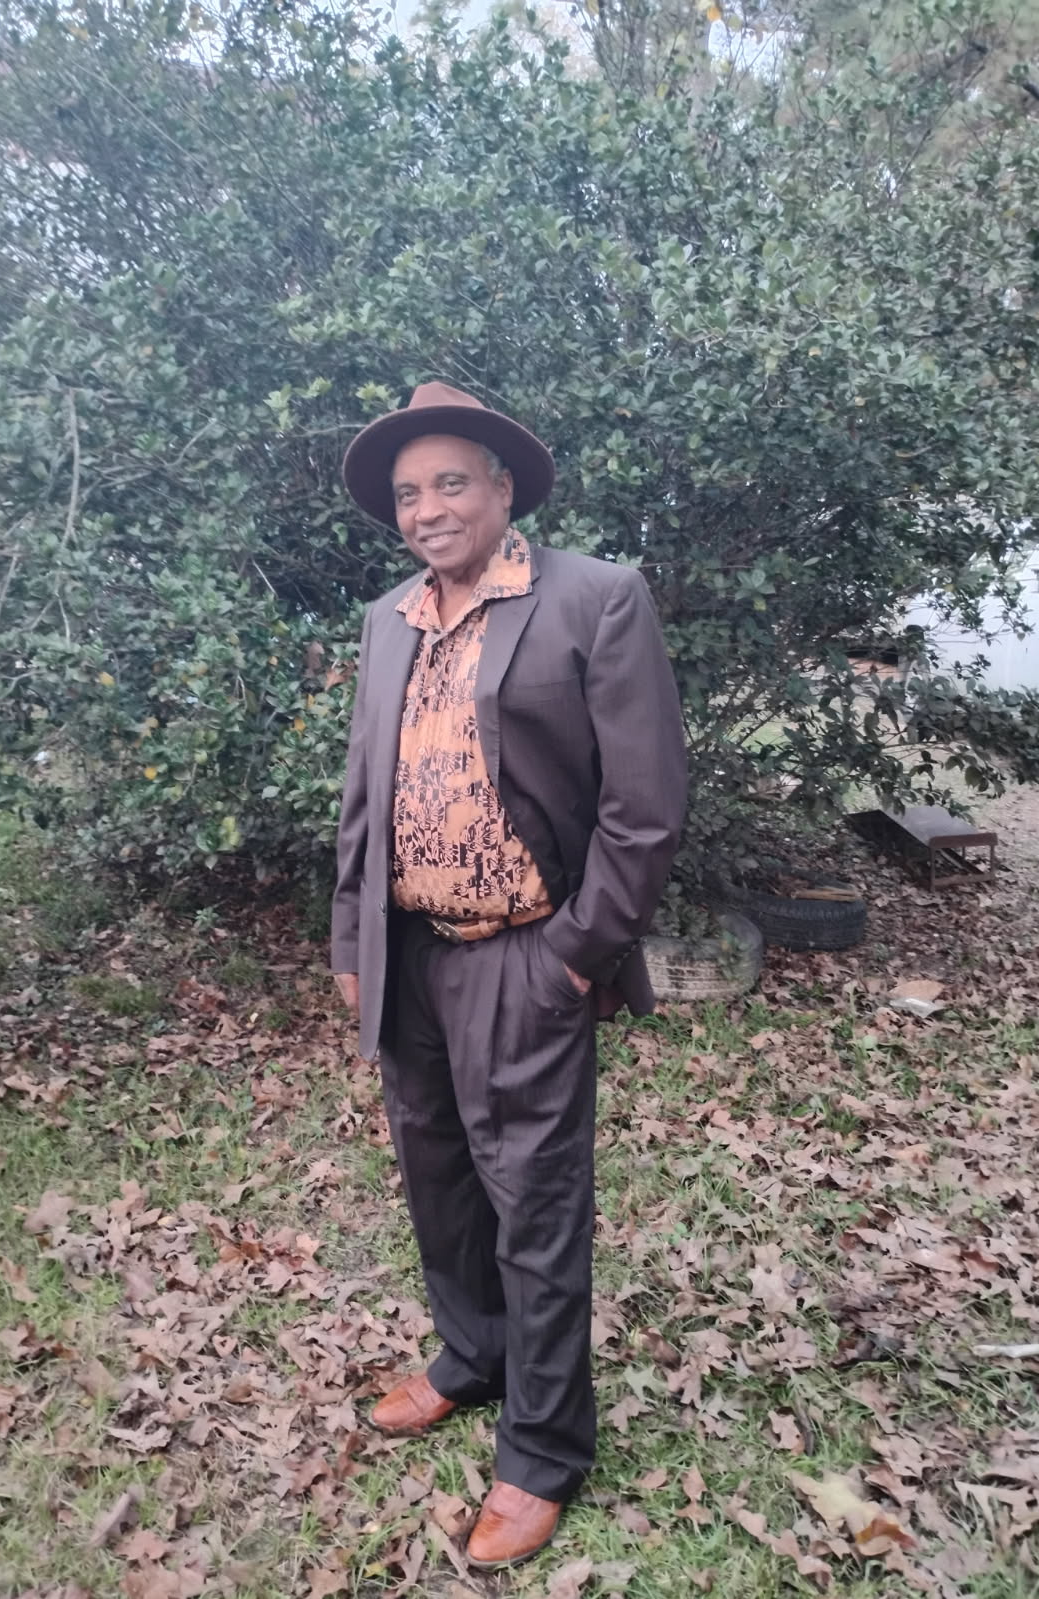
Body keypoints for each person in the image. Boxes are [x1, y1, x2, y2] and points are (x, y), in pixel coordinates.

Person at [332, 381, 687, 1569]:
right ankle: (470, 1357)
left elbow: (644, 806)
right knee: (438, 1179)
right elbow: (364, 795)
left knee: (533, 1204)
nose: (426, 509)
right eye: (406, 493)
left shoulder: (593, 597)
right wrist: (350, 941)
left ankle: (540, 1451)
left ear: (500, 489)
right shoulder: (389, 618)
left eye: (449, 483)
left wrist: (577, 954)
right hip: (408, 953)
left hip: (526, 956)